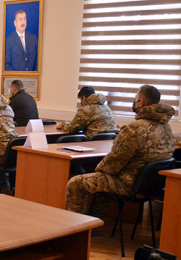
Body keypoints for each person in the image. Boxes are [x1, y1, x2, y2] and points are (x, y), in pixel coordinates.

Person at [65, 85, 177, 214]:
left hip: (127, 185)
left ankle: (76, 230)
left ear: (141, 102)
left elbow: (113, 164)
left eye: (136, 98)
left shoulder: (134, 129)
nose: (134, 102)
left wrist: (97, 169)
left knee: (75, 183)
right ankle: (94, 221)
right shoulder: (168, 128)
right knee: (102, 179)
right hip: (150, 187)